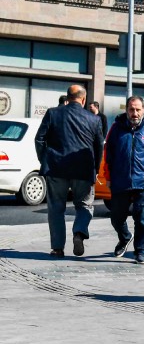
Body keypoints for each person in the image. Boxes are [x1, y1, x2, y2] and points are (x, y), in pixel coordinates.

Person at [35, 85, 103, 258]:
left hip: (56, 168)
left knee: (56, 208)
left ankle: (57, 248)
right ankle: (79, 232)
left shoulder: (53, 113)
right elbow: (98, 148)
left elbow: (39, 139)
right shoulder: (94, 119)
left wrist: (44, 159)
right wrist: (95, 168)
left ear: (67, 97)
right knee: (84, 205)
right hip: (83, 169)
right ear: (83, 99)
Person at [103, 96, 144, 264]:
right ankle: (125, 237)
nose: (135, 113)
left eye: (138, 109)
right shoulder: (116, 128)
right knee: (116, 217)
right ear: (127, 110)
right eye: (131, 109)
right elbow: (108, 154)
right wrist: (108, 177)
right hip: (120, 180)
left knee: (141, 218)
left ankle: (140, 251)